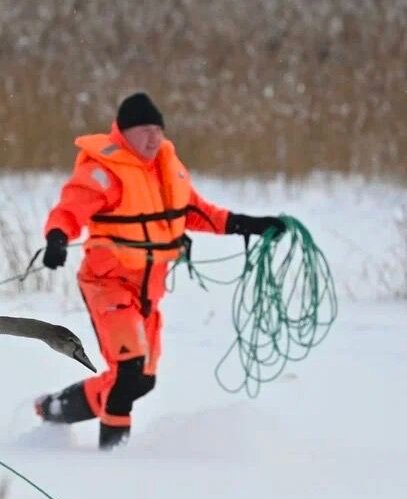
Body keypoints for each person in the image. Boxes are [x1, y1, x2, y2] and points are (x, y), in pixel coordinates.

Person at [35, 92, 285, 450]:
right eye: (144, 130)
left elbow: (196, 212)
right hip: (108, 284)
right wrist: (57, 238)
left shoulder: (167, 166)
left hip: (148, 291)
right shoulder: (102, 170)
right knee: (128, 371)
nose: (154, 138)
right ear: (123, 132)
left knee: (142, 381)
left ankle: (54, 408)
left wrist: (249, 224)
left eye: (158, 130)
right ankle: (112, 460)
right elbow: (70, 209)